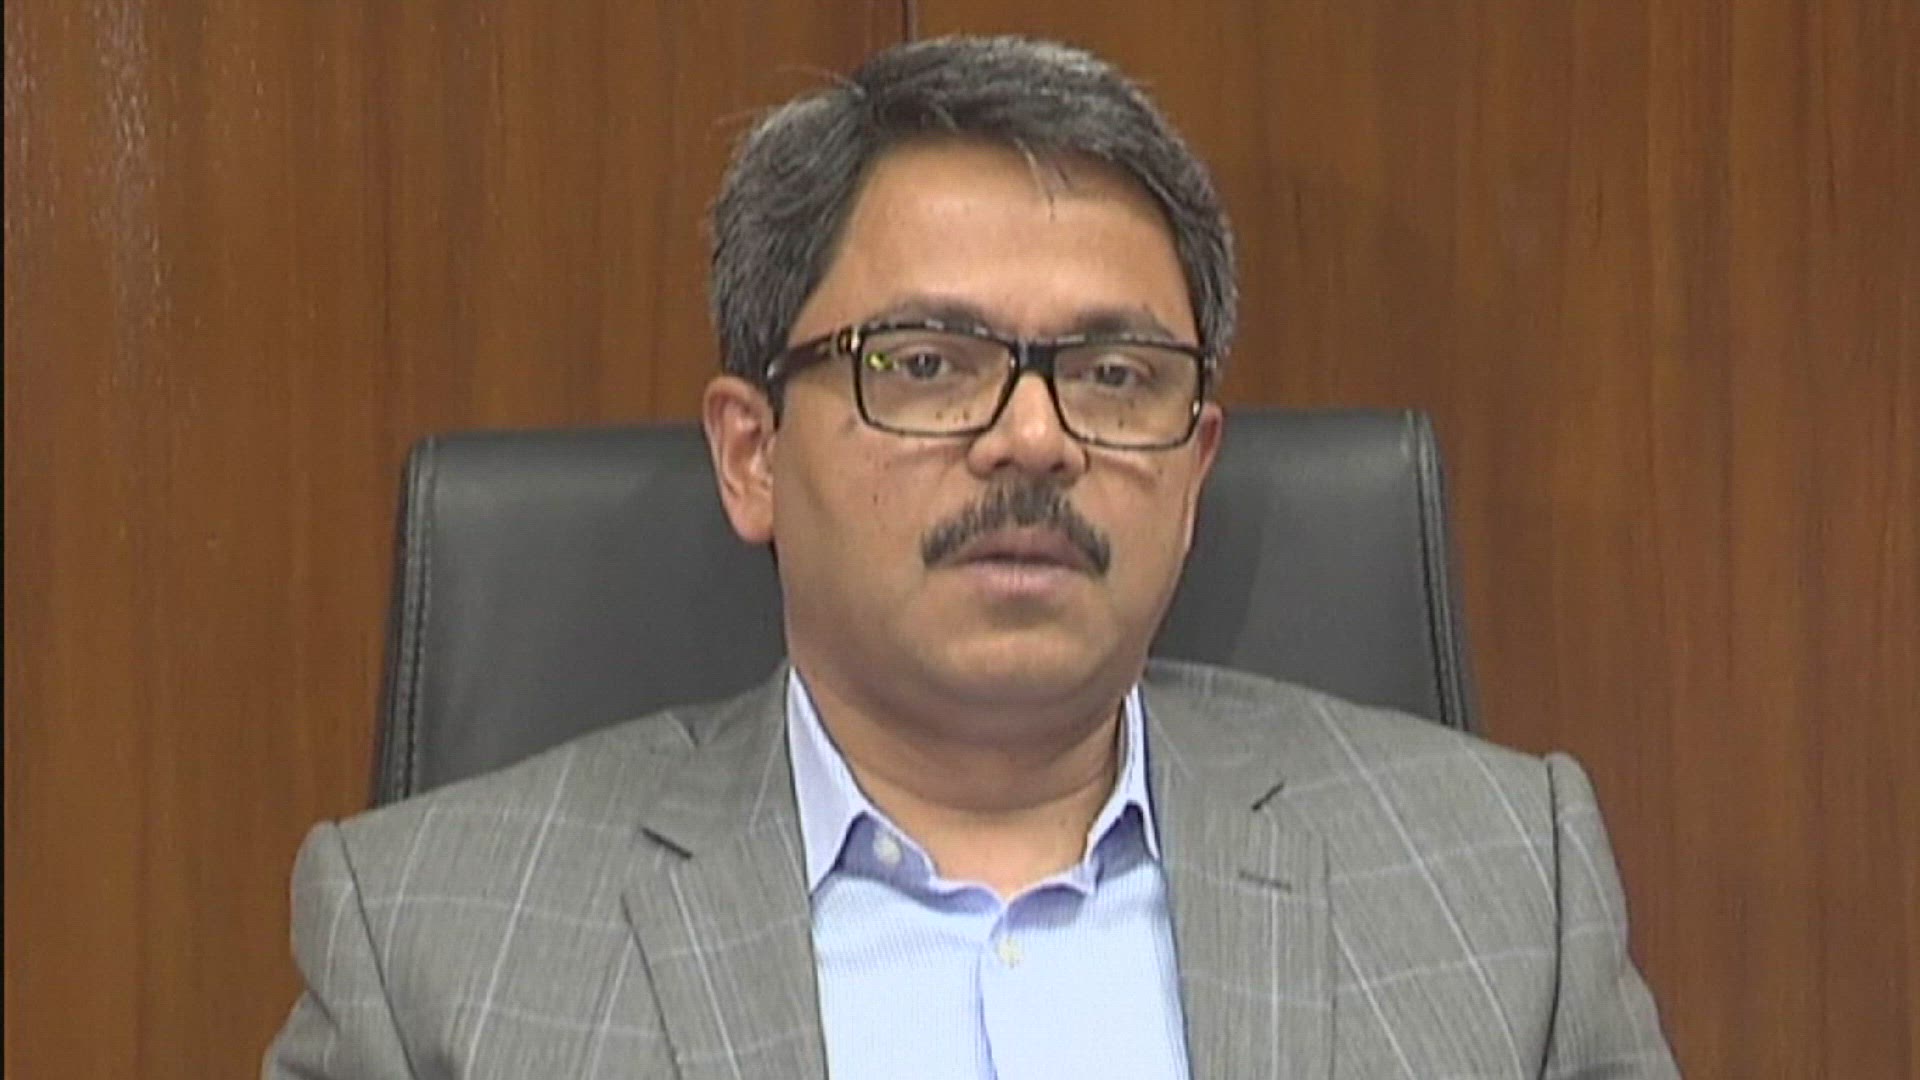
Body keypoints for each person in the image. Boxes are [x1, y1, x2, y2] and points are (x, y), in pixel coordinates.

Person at [265, 35, 1677, 1079]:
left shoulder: (1504, 886)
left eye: (1115, 375)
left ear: (1196, 470)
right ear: (752, 455)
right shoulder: (432, 943)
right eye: (929, 363)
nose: (1033, 439)